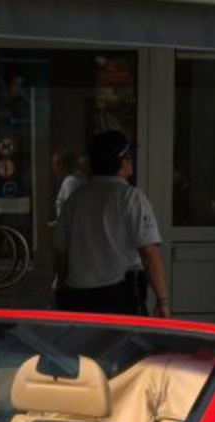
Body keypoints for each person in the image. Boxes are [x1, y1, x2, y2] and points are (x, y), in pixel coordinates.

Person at [53, 130, 171, 317]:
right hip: (119, 297)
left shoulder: (75, 201)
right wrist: (162, 300)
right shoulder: (131, 198)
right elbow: (149, 251)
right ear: (122, 161)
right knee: (124, 345)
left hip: (77, 295)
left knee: (84, 345)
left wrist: (61, 284)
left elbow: (60, 253)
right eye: (128, 156)